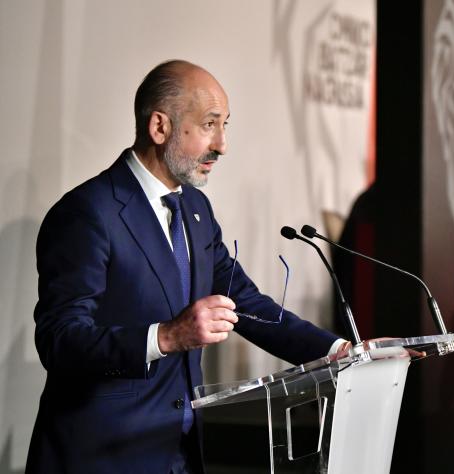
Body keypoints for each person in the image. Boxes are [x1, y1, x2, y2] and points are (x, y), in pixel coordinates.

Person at [26, 60, 349, 474]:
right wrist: (166, 336)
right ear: (160, 127)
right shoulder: (88, 213)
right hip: (104, 457)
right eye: (209, 125)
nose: (222, 144)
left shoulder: (195, 209)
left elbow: (245, 304)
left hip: (180, 455)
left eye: (225, 125)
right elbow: (60, 340)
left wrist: (340, 351)